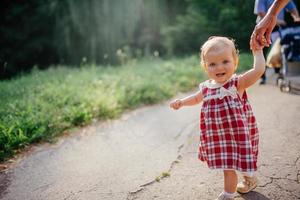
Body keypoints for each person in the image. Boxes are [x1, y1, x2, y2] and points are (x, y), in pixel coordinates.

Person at [170, 36, 265, 200]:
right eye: (212, 64)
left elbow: (258, 71)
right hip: (219, 138)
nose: (219, 67)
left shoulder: (237, 83)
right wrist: (182, 102)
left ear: (235, 62)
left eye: (225, 61)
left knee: (241, 162)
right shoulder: (206, 88)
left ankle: (248, 179)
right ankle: (229, 193)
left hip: (237, 136)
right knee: (228, 166)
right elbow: (195, 98)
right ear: (205, 67)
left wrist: (257, 52)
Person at [254, 0, 300, 84]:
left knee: (280, 49)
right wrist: (277, 20)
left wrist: (296, 17)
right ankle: (262, 76)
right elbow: (261, 13)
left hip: (278, 28)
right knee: (261, 52)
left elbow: (291, 7)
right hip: (263, 27)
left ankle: (279, 72)